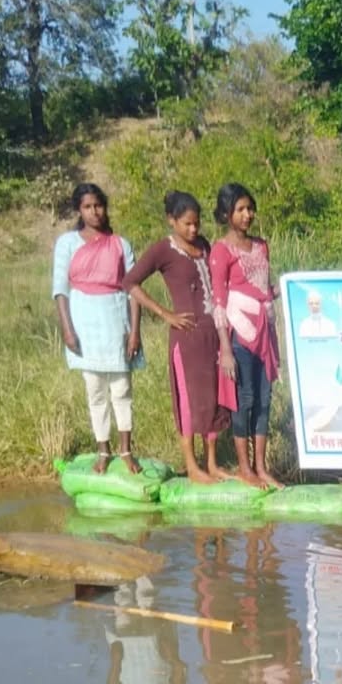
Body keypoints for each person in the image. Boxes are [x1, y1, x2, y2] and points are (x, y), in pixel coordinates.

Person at [123, 191, 233, 484]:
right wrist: (166, 314)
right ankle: (192, 465)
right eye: (187, 224)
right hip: (187, 340)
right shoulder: (163, 250)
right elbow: (130, 282)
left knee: (213, 399)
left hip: (213, 336)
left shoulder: (205, 246)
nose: (193, 229)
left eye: (197, 223)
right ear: (171, 220)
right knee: (188, 400)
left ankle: (212, 463)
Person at [53, 183, 143, 474]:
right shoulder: (67, 243)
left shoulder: (120, 244)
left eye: (98, 205)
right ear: (79, 210)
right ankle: (103, 450)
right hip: (84, 325)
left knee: (122, 388)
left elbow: (134, 291)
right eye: (87, 207)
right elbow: (60, 290)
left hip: (116, 322)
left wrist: (134, 332)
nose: (94, 212)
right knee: (95, 390)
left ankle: (126, 450)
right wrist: (67, 329)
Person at [209, 182, 283, 489]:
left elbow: (265, 290)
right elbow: (218, 302)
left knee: (264, 399)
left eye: (250, 208)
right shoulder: (221, 251)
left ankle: (261, 468)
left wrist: (289, 287)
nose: (247, 214)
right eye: (240, 209)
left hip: (265, 333)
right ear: (227, 213)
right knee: (245, 398)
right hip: (240, 336)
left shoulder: (261, 246)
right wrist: (225, 348)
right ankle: (244, 468)